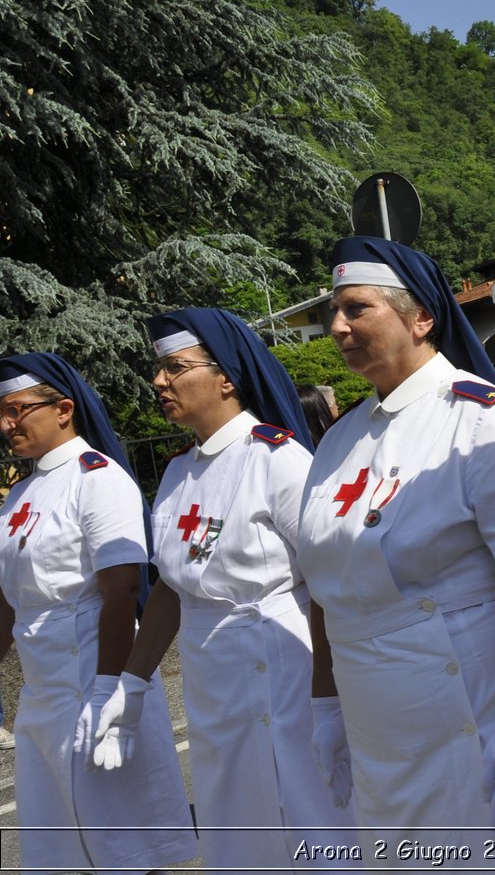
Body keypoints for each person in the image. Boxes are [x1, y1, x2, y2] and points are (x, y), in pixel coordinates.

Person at [297, 236, 495, 863]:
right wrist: (325, 704)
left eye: (356, 309)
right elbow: (323, 582)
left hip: (478, 699)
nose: (337, 327)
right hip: (383, 718)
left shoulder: (481, 417)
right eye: (334, 313)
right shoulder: (339, 439)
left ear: (421, 317)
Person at [92, 309, 360, 867]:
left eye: (174, 367)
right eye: (157, 369)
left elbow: (331, 581)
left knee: (314, 822)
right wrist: (131, 684)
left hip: (287, 669)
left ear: (227, 378)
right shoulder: (175, 473)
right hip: (212, 680)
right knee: (237, 829)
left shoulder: (277, 458)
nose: (159, 382)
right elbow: (173, 585)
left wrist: (329, 699)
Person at [0, 353, 196, 872]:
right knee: (58, 840)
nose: (6, 424)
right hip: (42, 690)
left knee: (121, 839)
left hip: (94, 674)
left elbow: (121, 589)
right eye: (1, 413)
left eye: (17, 410)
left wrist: (109, 690)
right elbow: (6, 597)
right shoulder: (18, 493)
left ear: (63, 408)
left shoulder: (97, 478)